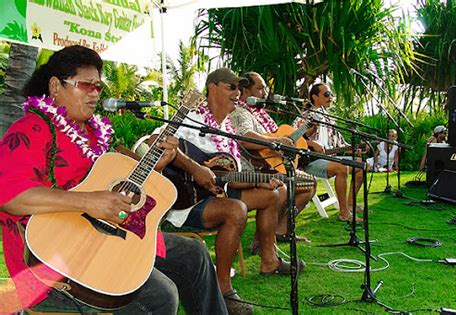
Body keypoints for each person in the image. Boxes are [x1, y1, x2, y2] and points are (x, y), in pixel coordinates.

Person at [0, 46, 227, 314]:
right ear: (54, 86)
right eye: (86, 85)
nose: (95, 93)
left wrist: (156, 167)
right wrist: (88, 201)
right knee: (162, 295)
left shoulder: (94, 133)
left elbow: (117, 191)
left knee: (195, 254)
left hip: (106, 235)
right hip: (48, 265)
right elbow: (9, 196)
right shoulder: (30, 131)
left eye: (98, 86)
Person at [136, 68, 303, 315]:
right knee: (236, 210)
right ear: (212, 88)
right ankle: (224, 289)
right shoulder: (192, 117)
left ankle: (269, 260)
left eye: (239, 88)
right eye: (232, 87)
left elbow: (228, 178)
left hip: (214, 194)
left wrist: (261, 180)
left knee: (271, 195)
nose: (238, 93)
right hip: (185, 201)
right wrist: (195, 168)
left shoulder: (226, 129)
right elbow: (154, 142)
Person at [229, 71, 315, 245]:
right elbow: (245, 136)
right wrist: (275, 142)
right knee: (292, 186)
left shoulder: (259, 113)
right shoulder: (241, 112)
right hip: (255, 171)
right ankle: (262, 240)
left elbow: (275, 134)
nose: (265, 93)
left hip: (269, 166)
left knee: (309, 184)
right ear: (245, 91)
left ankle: (280, 231)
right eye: (260, 89)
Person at [293, 83, 363, 221]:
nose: (330, 97)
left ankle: (350, 205)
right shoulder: (306, 116)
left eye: (331, 94)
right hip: (310, 161)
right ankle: (344, 213)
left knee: (361, 165)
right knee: (342, 168)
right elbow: (291, 137)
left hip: (329, 159)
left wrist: (354, 148)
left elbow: (340, 143)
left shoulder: (328, 118)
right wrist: (311, 143)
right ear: (315, 96)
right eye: (326, 94)